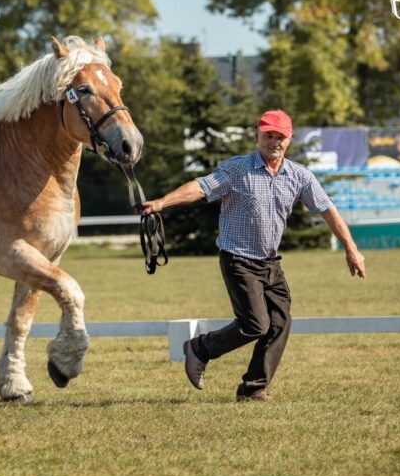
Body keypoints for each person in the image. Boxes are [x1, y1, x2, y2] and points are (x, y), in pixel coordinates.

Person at [138, 110, 366, 402]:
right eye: (268, 135)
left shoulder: (299, 176)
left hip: (270, 263)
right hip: (238, 258)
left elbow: (327, 209)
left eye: (280, 137)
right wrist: (161, 203)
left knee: (280, 323)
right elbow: (200, 187)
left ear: (289, 140)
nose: (274, 141)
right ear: (257, 135)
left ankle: (253, 387)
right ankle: (200, 349)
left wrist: (351, 249)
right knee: (255, 324)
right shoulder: (238, 169)